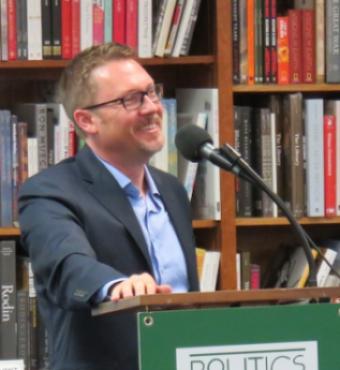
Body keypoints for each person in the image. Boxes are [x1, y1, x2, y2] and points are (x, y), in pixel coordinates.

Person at [18, 43, 199, 370]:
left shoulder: (172, 191)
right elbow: (66, 263)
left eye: (151, 92)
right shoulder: (49, 192)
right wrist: (116, 285)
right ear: (87, 120)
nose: (151, 108)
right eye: (131, 99)